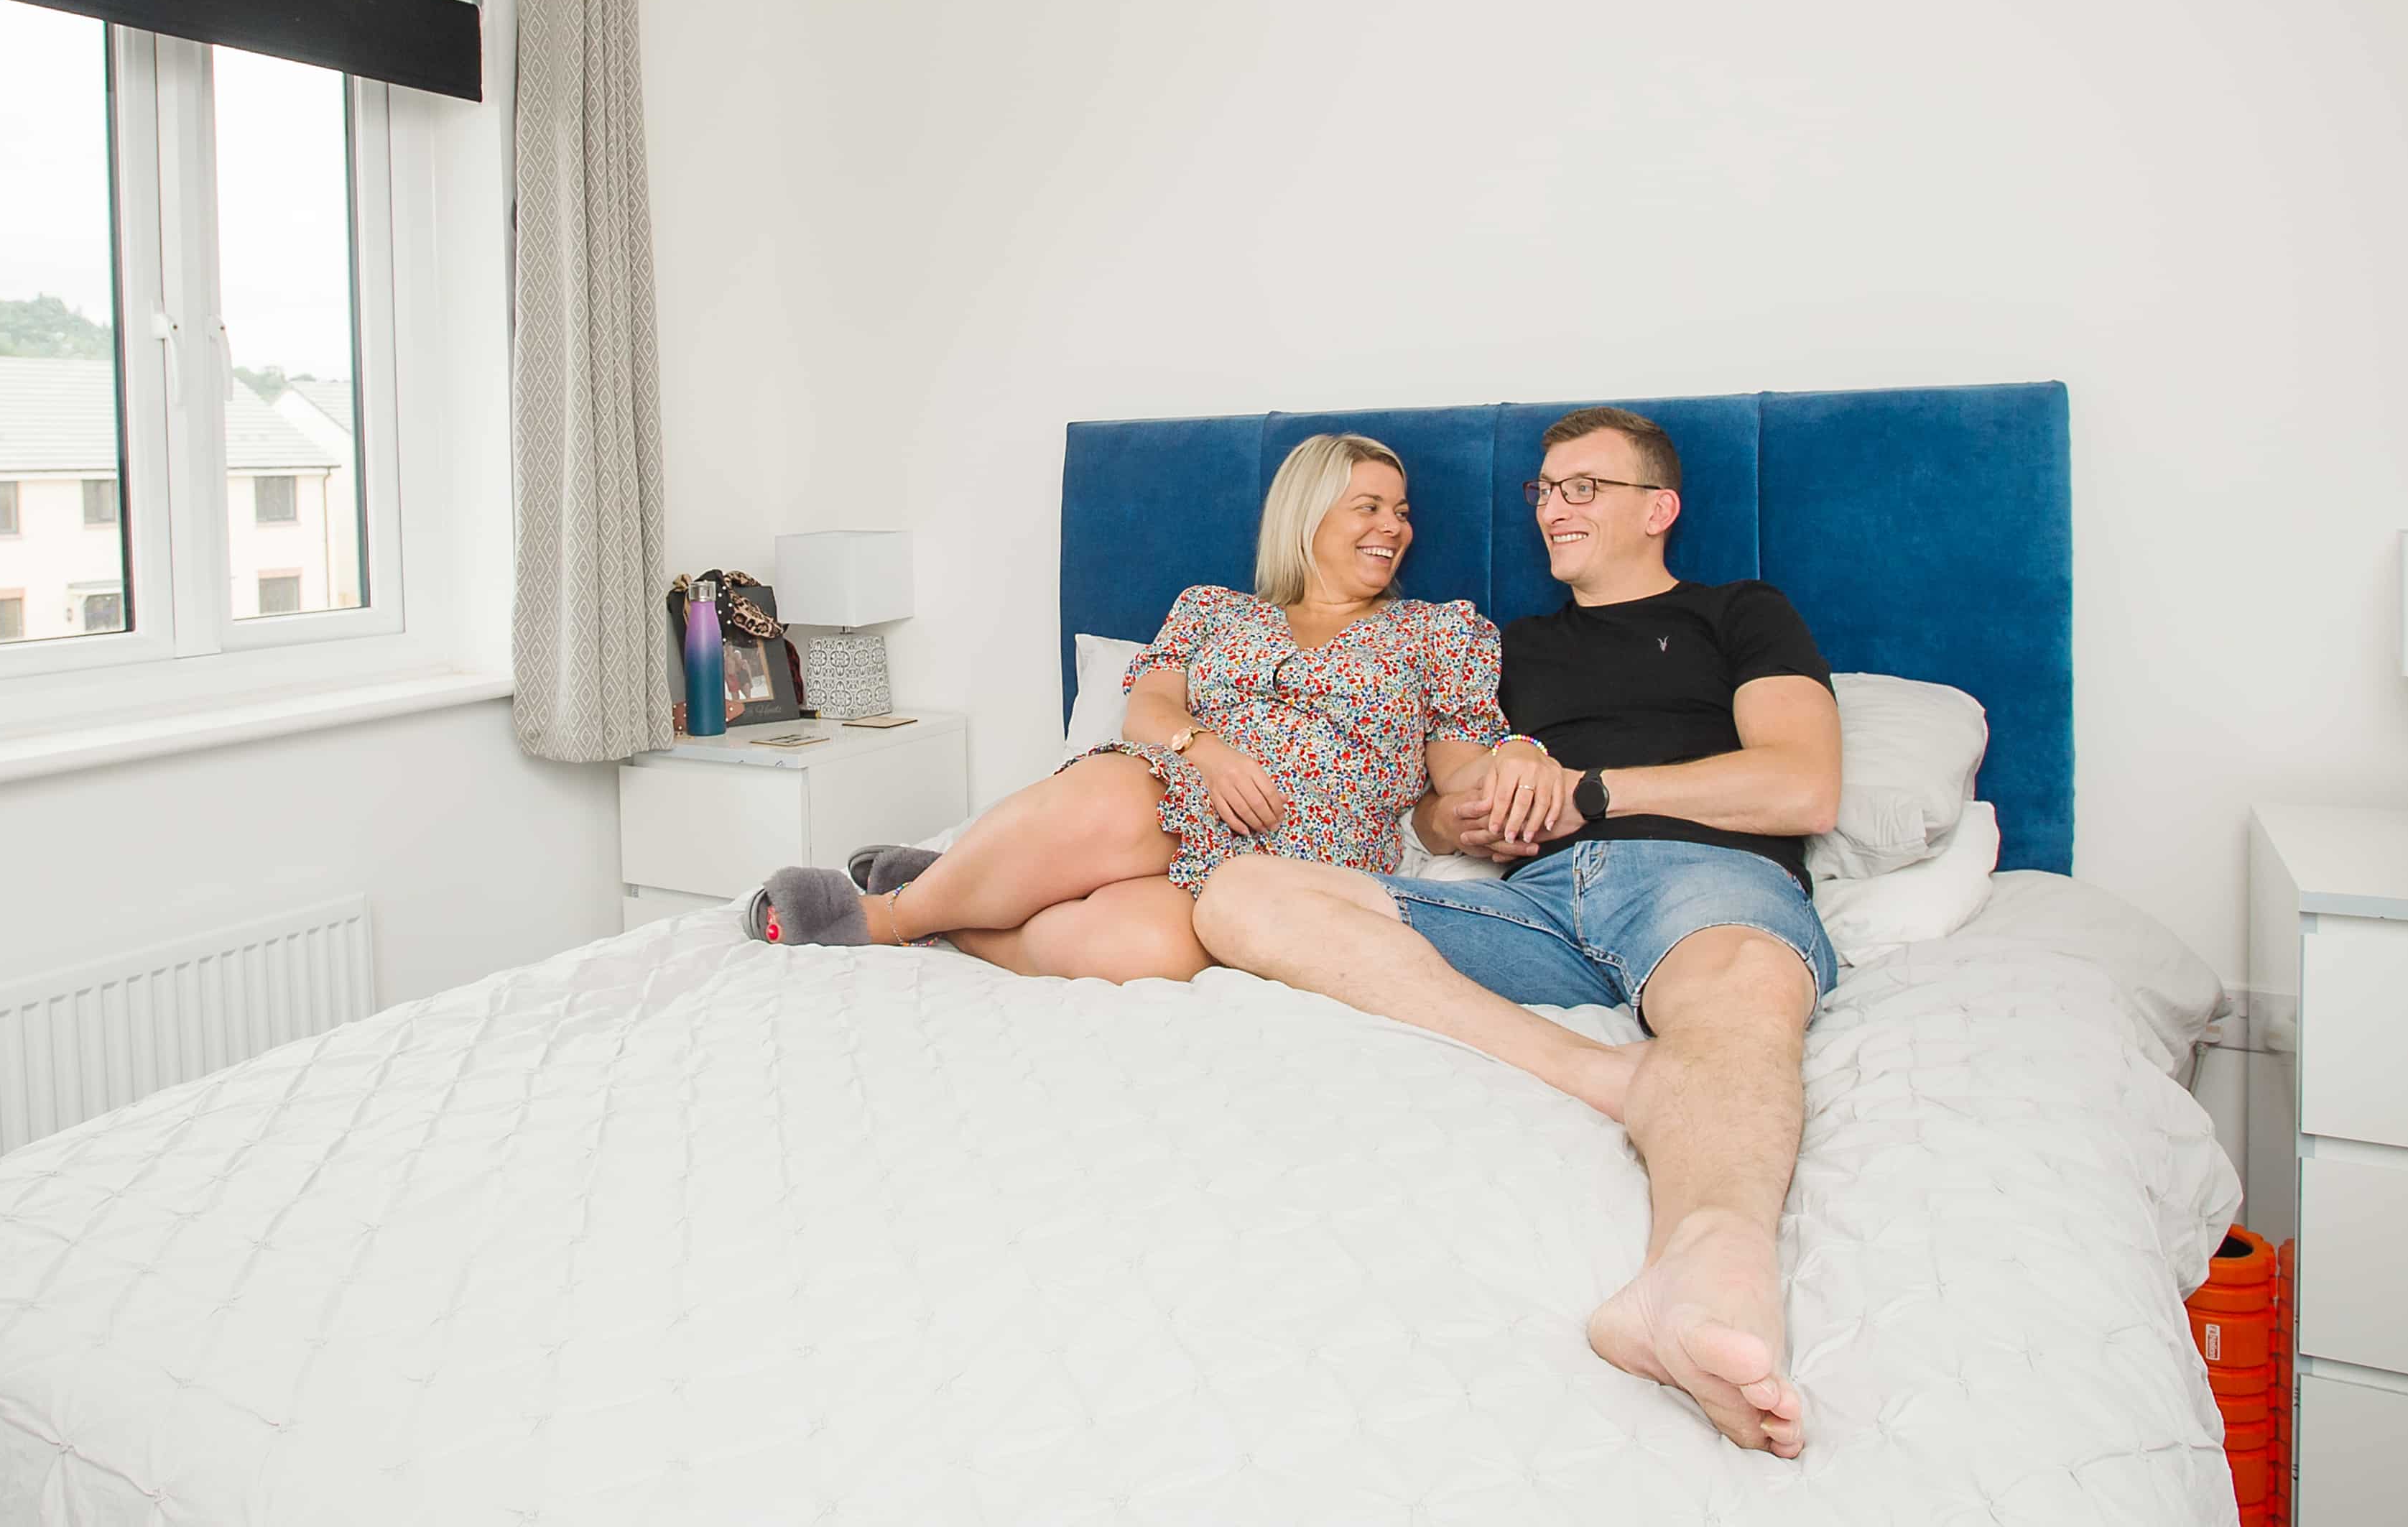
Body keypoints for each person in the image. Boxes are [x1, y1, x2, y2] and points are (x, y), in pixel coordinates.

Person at [1190, 405, 1843, 1462]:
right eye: (1544, 489)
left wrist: (1591, 791)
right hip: (1535, 903)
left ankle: (1709, 1278)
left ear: (1658, 508)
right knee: (1238, 895)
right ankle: (1608, 1078)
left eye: (1584, 486)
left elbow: (1804, 784)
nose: (1553, 507)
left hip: (1699, 880)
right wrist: (1476, 812)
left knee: (1739, 1000)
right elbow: (1434, 812)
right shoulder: (1502, 646)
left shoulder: (1740, 612)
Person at [741, 435, 1632, 1079]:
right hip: (1168, 782)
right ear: (1307, 511)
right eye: (1369, 506)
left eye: (1400, 513)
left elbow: (1462, 768)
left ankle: (958, 898)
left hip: (1293, 860)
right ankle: (883, 916)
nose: (1392, 528)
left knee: (1122, 947)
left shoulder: (1435, 633)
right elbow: (1149, 703)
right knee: (1105, 802)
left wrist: (1511, 779)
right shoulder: (1212, 610)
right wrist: (1203, 753)